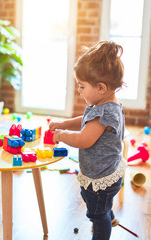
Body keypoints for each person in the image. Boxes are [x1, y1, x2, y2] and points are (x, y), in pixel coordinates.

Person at [49, 40, 126, 240]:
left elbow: (85, 139)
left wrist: (62, 136)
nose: (79, 91)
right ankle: (109, 216)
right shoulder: (103, 105)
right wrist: (65, 124)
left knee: (97, 213)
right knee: (100, 204)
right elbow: (85, 122)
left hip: (102, 178)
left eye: (82, 86)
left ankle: (105, 223)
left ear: (101, 87)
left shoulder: (105, 113)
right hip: (105, 171)